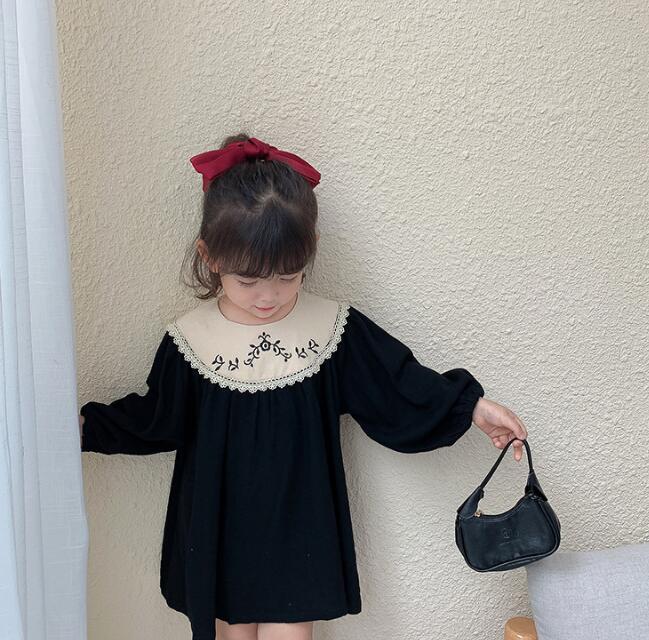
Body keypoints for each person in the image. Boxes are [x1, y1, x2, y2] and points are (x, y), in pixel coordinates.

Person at [79, 133, 528, 640]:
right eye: (248, 281)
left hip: (299, 531)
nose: (267, 296)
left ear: (309, 250)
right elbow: (156, 418)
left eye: (287, 276)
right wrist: (82, 427)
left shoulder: (331, 329)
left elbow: (397, 386)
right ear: (210, 257)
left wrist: (472, 407)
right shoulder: (190, 340)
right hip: (217, 527)